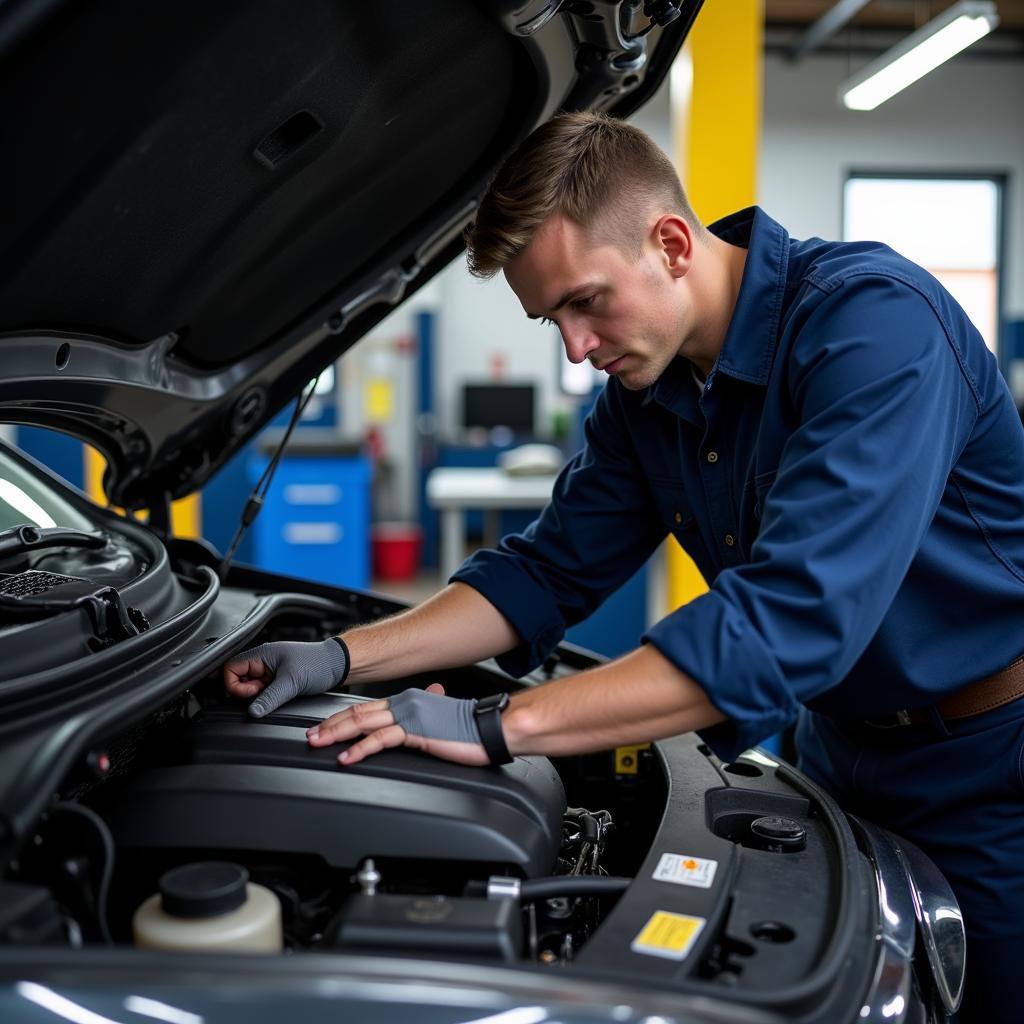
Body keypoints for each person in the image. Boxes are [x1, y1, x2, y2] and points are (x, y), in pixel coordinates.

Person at [224, 113, 1024, 1020]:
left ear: (673, 243)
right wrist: (339, 657)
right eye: (550, 318)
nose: (574, 346)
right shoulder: (649, 396)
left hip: (989, 770)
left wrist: (495, 724)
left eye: (585, 301)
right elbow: (544, 572)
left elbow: (789, 623)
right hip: (837, 751)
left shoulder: (876, 328)